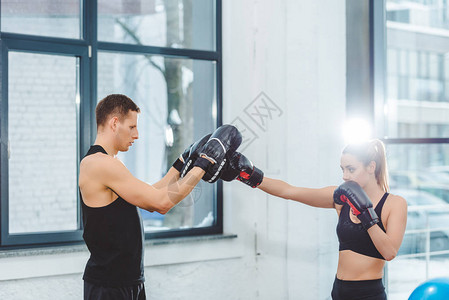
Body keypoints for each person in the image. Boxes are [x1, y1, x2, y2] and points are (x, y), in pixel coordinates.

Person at [78, 94, 241, 300]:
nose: (136, 135)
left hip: (128, 281)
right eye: (132, 127)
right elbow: (160, 203)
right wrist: (204, 163)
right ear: (114, 123)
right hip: (109, 285)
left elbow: (152, 193)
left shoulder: (110, 163)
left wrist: (182, 162)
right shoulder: (99, 163)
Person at [222, 139, 407, 300]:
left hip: (368, 293)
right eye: (342, 169)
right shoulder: (341, 199)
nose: (345, 176)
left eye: (351, 169)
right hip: (339, 290)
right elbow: (290, 191)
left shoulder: (394, 204)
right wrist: (248, 174)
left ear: (371, 167)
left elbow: (389, 252)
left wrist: (365, 214)